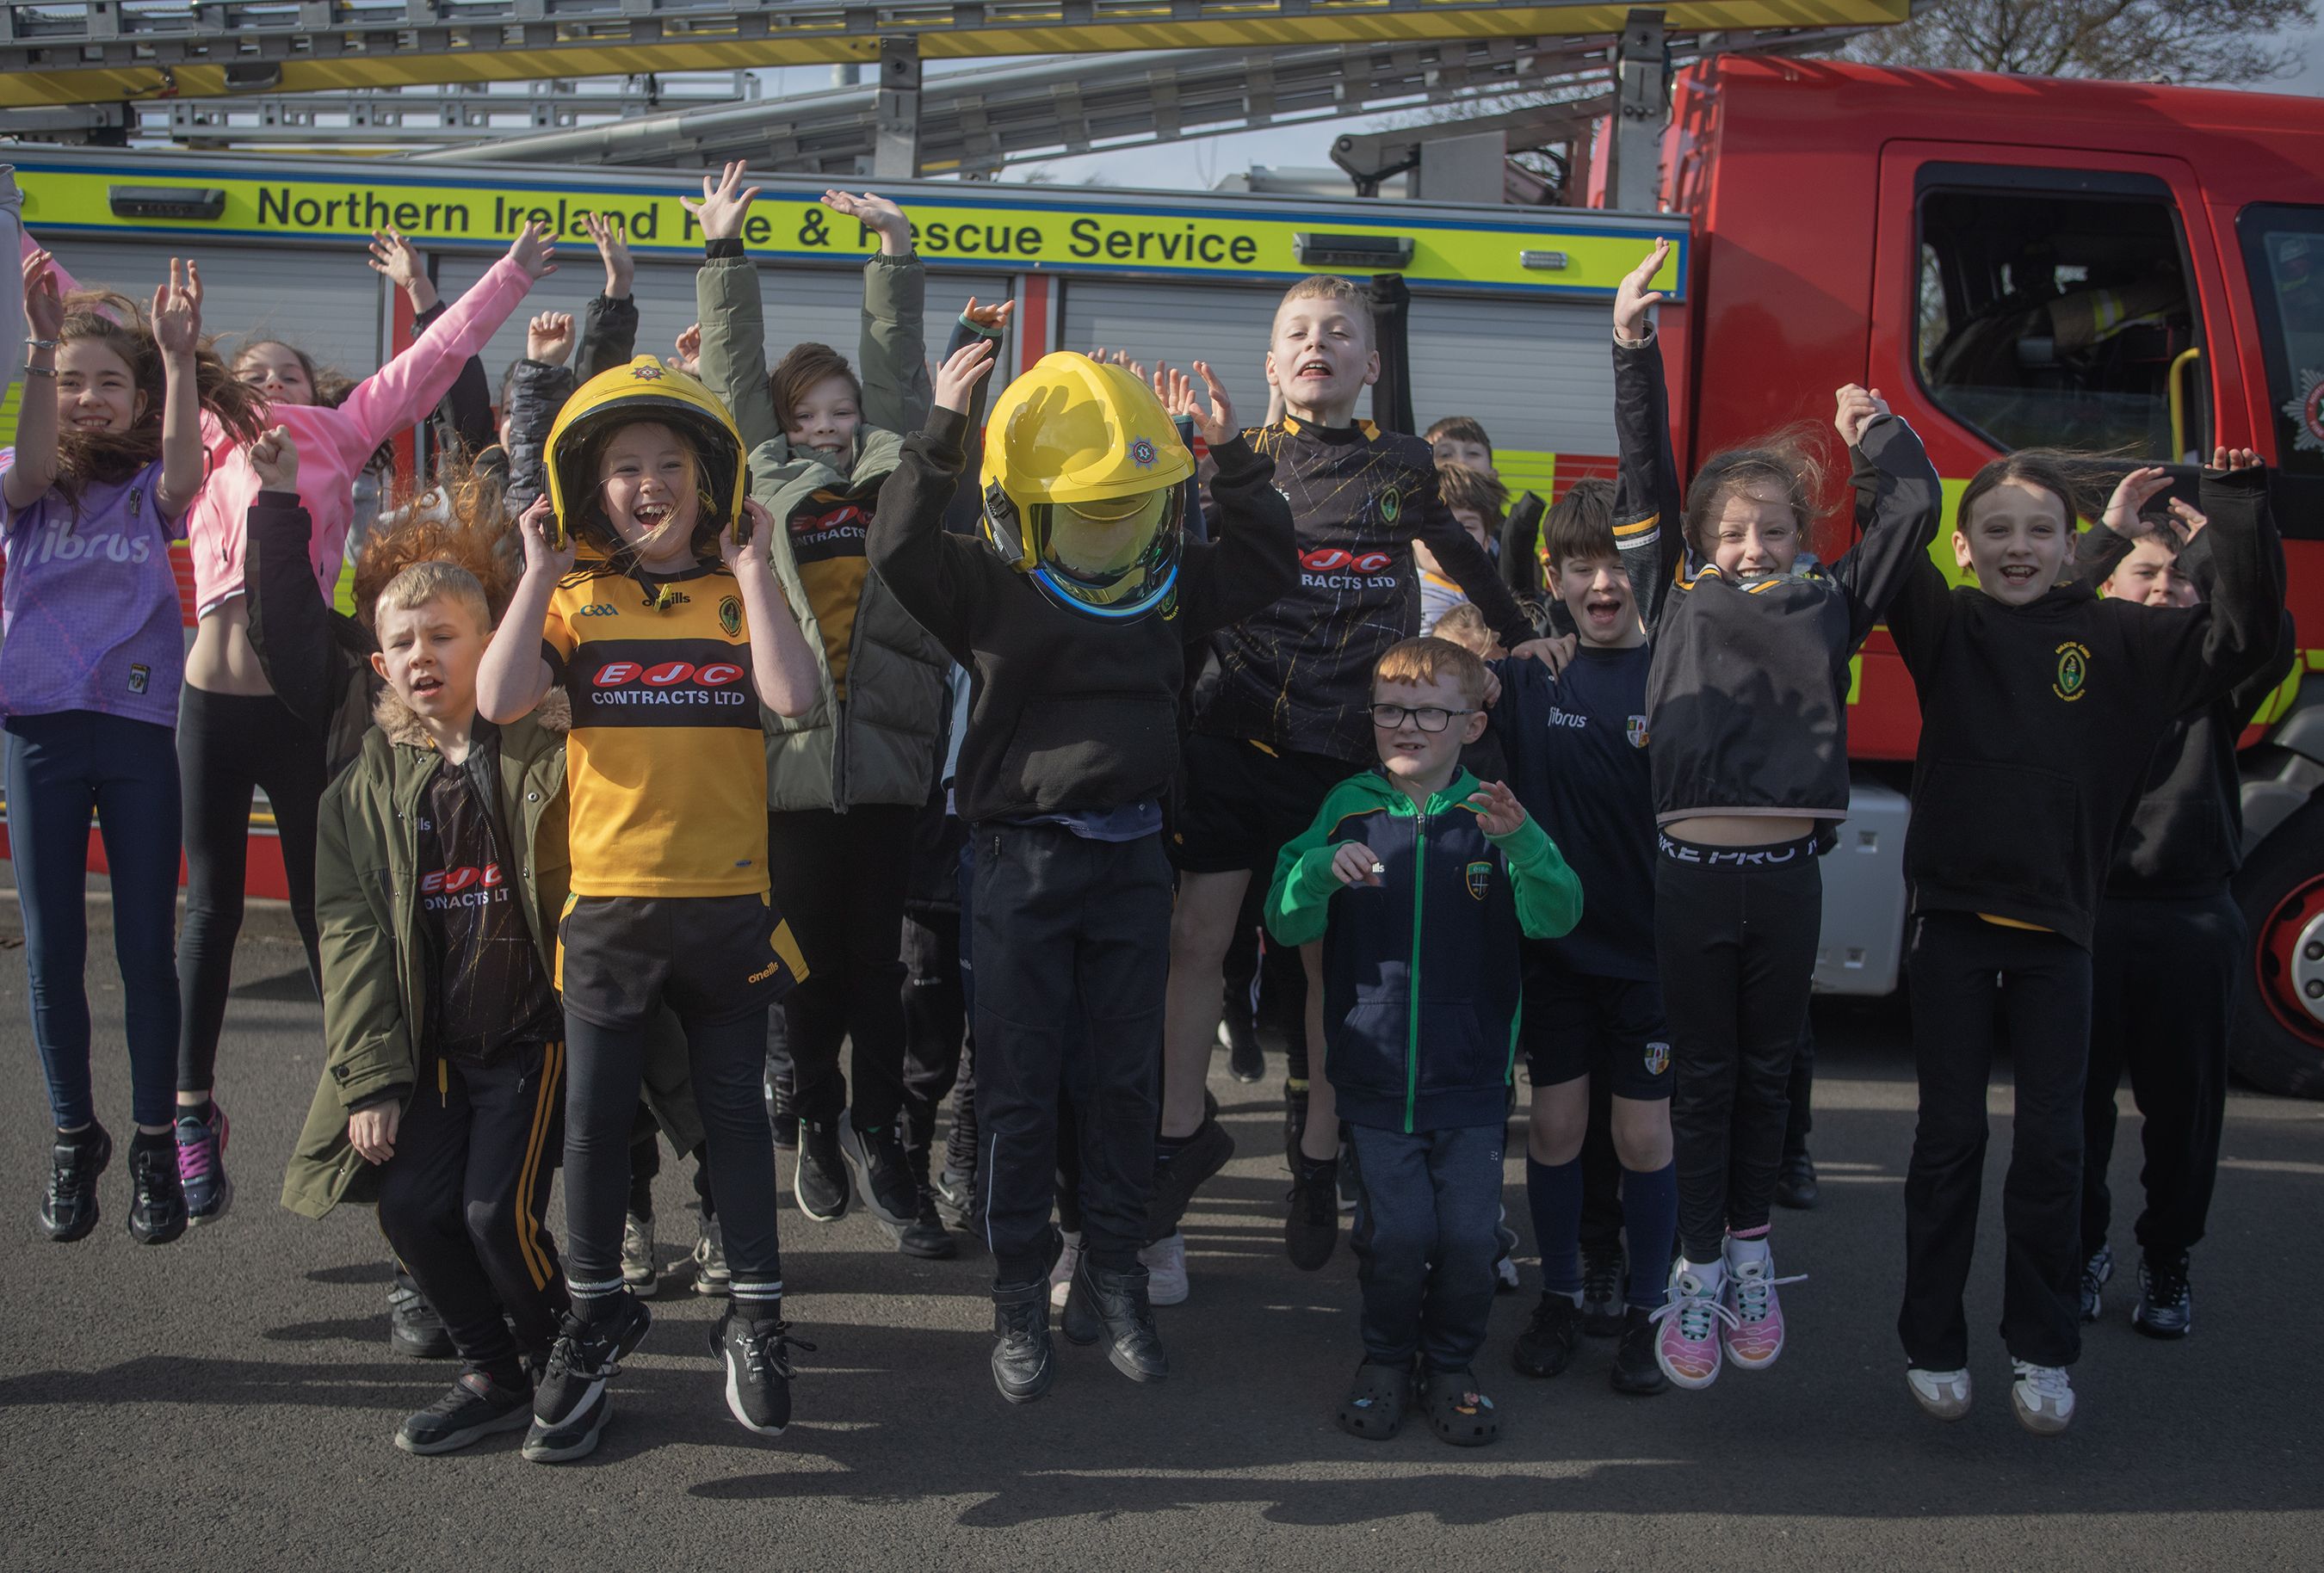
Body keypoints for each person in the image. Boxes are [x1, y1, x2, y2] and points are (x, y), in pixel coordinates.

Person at [868, 340, 1297, 1403]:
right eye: (1087, 503)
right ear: (1029, 502)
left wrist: (1231, 454)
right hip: (1018, 865)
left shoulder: (1168, 581)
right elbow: (899, 549)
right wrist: (942, 428)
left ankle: (1116, 1280)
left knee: (1121, 1088)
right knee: (1017, 1093)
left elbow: (1267, 564)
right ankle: (1020, 1300)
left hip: (1133, 858)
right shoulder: (989, 583)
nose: (1107, 523)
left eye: (1124, 501)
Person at [1164, 275, 1553, 1293]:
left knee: (1333, 982)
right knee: (1192, 949)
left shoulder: (1403, 463)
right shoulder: (1234, 462)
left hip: (1349, 755)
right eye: (1296, 332)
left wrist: (1520, 631)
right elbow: (1179, 569)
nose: (1317, 345)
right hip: (1233, 736)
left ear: (1372, 364)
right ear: (1269, 361)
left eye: (1339, 333)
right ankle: (1172, 1158)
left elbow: (1463, 549)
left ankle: (1316, 1162)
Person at [1610, 238, 1944, 1391]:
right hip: (1691, 875)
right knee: (1701, 1075)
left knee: (1767, 1074)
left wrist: (1877, 433)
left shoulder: (1830, 605)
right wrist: (1632, 348)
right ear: (1702, 544)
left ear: (1805, 542)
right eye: (1735, 532)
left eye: (1776, 531)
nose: (1755, 547)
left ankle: (1750, 1246)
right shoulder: (1674, 596)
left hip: (1788, 874)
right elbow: (1644, 474)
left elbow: (1916, 511)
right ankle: (1698, 1272)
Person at [1888, 447, 2278, 1435]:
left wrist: (2234, 512)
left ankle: (2043, 1347)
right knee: (1949, 1142)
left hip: (2064, 933)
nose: (2019, 547)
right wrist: (1882, 450)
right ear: (1967, 551)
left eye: (2040, 531)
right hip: (1953, 928)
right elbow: (1895, 553)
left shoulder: (2121, 637)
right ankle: (1933, 1338)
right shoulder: (1950, 628)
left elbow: (2243, 641)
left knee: (2054, 1150)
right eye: (1998, 531)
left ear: (2073, 549)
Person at [172, 223, 550, 1227]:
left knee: (337, 915)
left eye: (290, 371)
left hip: (309, 688)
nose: (272, 382)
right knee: (208, 913)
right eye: (253, 373)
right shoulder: (209, 439)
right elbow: (109, 358)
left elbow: (436, 360)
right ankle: (184, 1111)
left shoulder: (341, 431)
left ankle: (367, 1101)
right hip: (215, 691)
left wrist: (505, 274)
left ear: (318, 389)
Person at [476, 355, 819, 1457]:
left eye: (671, 461)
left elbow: (796, 697)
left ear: (708, 475)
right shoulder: (575, 598)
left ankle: (756, 1315)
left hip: (727, 914)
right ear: (591, 485)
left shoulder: (734, 591)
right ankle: (593, 1317)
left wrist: (757, 571)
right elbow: (499, 699)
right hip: (612, 914)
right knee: (595, 1123)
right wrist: (536, 570)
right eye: (624, 467)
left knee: (733, 1123)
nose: (648, 481)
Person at [690, 164, 1005, 1257]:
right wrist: (724, 256)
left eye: (843, 412)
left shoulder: (897, 479)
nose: (829, 429)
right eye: (808, 415)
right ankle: (819, 1123)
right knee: (801, 970)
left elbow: (908, 400)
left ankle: (886, 1144)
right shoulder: (758, 476)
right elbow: (729, 390)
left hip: (889, 771)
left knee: (880, 969)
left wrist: (895, 257)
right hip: (783, 773)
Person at [271, 425, 575, 1456]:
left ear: (492, 639)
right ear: (380, 667)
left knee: (497, 1217)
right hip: (436, 1060)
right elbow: (351, 937)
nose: (422, 657)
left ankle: (569, 1358)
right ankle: (492, 1368)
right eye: (403, 645)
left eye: (444, 635)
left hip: (534, 1040)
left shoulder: (546, 744)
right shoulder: (361, 791)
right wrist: (370, 1079)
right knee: (410, 1212)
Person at [1265, 636, 1583, 1446]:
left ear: (1471, 725)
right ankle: (1384, 1359)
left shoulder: (1495, 816)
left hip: (1471, 1079)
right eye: (1390, 710)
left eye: (1430, 712)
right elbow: (1283, 917)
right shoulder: (1347, 808)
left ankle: (1450, 1366)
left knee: (1472, 1241)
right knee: (1397, 1236)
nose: (1407, 726)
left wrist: (1524, 845)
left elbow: (1558, 915)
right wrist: (1316, 869)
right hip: (1372, 1079)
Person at [7, 251, 264, 1244]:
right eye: (71, 383)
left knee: (145, 945)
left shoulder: (149, 490)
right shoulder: (22, 489)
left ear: (140, 397)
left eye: (108, 384)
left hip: (141, 723)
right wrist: (38, 347)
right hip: (38, 727)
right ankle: (78, 1139)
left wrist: (177, 354)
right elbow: (30, 466)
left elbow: (188, 471)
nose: (87, 400)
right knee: (54, 947)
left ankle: (156, 1140)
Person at [2080, 506, 2293, 1340]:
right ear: (2107, 587)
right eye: (2145, 573)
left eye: (2181, 580)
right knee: (2075, 1112)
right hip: (2088, 918)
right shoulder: (2075, 669)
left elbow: (2265, 627)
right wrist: (2104, 533)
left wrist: (2222, 541)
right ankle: (2082, 1250)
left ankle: (2167, 1257)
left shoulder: (2215, 684)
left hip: (2190, 921)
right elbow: (2036, 611)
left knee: (2184, 1113)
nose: (2164, 589)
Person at [1491, 460, 1678, 1399]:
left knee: (1643, 1141)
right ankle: (1561, 1294)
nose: (1600, 582)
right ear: (1552, 580)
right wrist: (1509, 651)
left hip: (1650, 956)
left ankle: (1652, 1311)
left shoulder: (1676, 669)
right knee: (1558, 1127)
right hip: (1555, 956)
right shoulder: (1525, 679)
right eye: (1578, 566)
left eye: (1615, 563)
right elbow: (1432, 689)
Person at [1419, 464, 1509, 634]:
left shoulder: (1496, 598)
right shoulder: (1401, 592)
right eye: (1438, 526)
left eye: (1467, 527)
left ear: (1487, 542)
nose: (1452, 537)